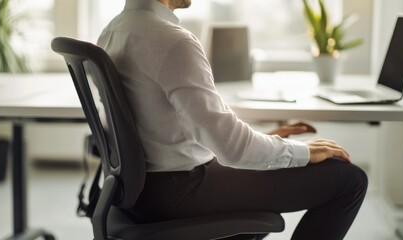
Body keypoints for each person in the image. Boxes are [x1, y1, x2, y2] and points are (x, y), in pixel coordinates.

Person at [97, 0, 368, 239]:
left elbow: (166, 127)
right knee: (348, 180)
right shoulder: (172, 40)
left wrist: (267, 141)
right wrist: (303, 152)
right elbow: (232, 149)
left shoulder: (112, 32)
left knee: (269, 164)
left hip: (143, 192)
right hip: (181, 191)